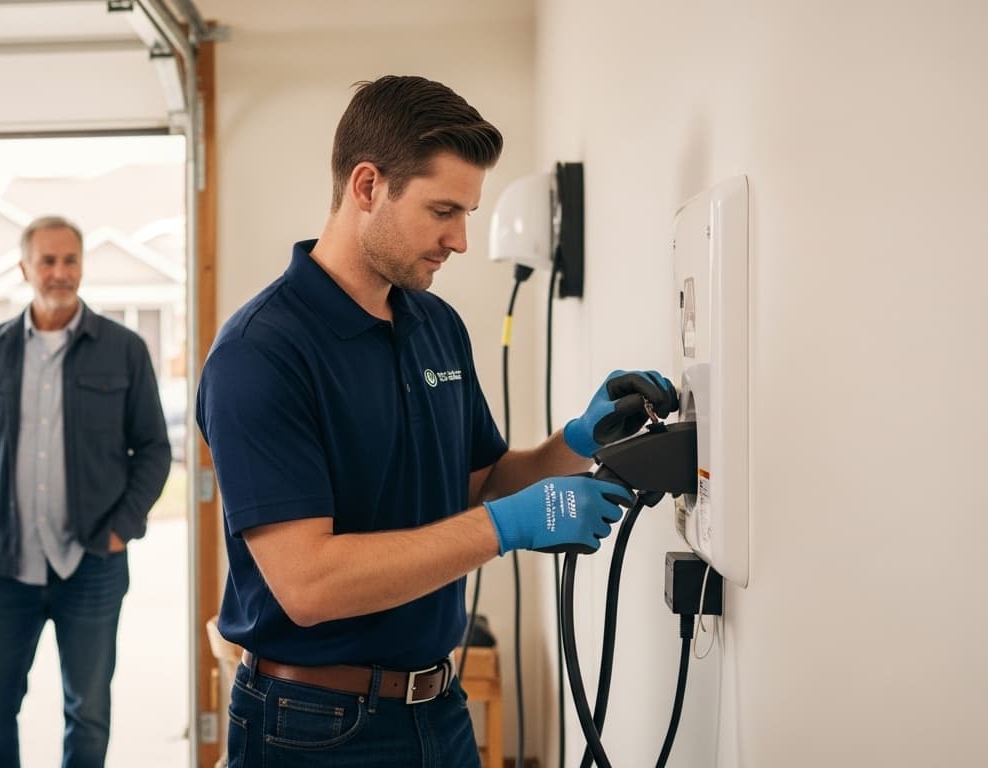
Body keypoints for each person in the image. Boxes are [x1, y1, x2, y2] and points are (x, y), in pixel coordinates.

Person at [196, 75, 679, 767]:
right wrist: (507, 528)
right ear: (368, 186)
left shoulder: (435, 324)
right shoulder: (261, 353)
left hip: (440, 710)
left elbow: (485, 482)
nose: (459, 239)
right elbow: (308, 586)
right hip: (311, 727)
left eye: (468, 213)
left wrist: (578, 441)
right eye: (443, 211)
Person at [0, 215, 172, 768]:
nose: (60, 272)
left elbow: (153, 449)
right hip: (6, 567)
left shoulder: (123, 349)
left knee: (88, 714)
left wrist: (122, 529)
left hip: (92, 565)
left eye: (70, 260)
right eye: (47, 261)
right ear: (25, 268)